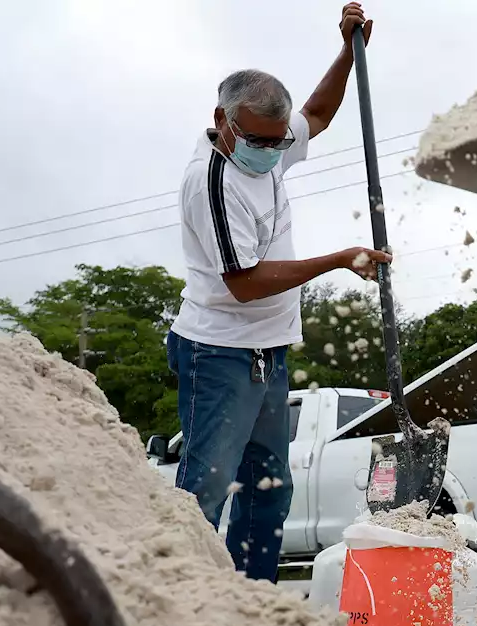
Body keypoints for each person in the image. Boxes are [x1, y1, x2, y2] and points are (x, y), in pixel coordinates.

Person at [166, 3, 390, 584]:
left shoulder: (266, 141)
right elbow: (244, 283)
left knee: (269, 486)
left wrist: (348, 49)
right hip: (217, 353)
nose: (272, 152)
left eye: (277, 141)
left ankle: (252, 600)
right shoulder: (210, 182)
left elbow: (317, 112)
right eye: (260, 141)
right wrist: (338, 260)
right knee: (206, 485)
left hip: (269, 353)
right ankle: (185, 597)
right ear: (224, 119)